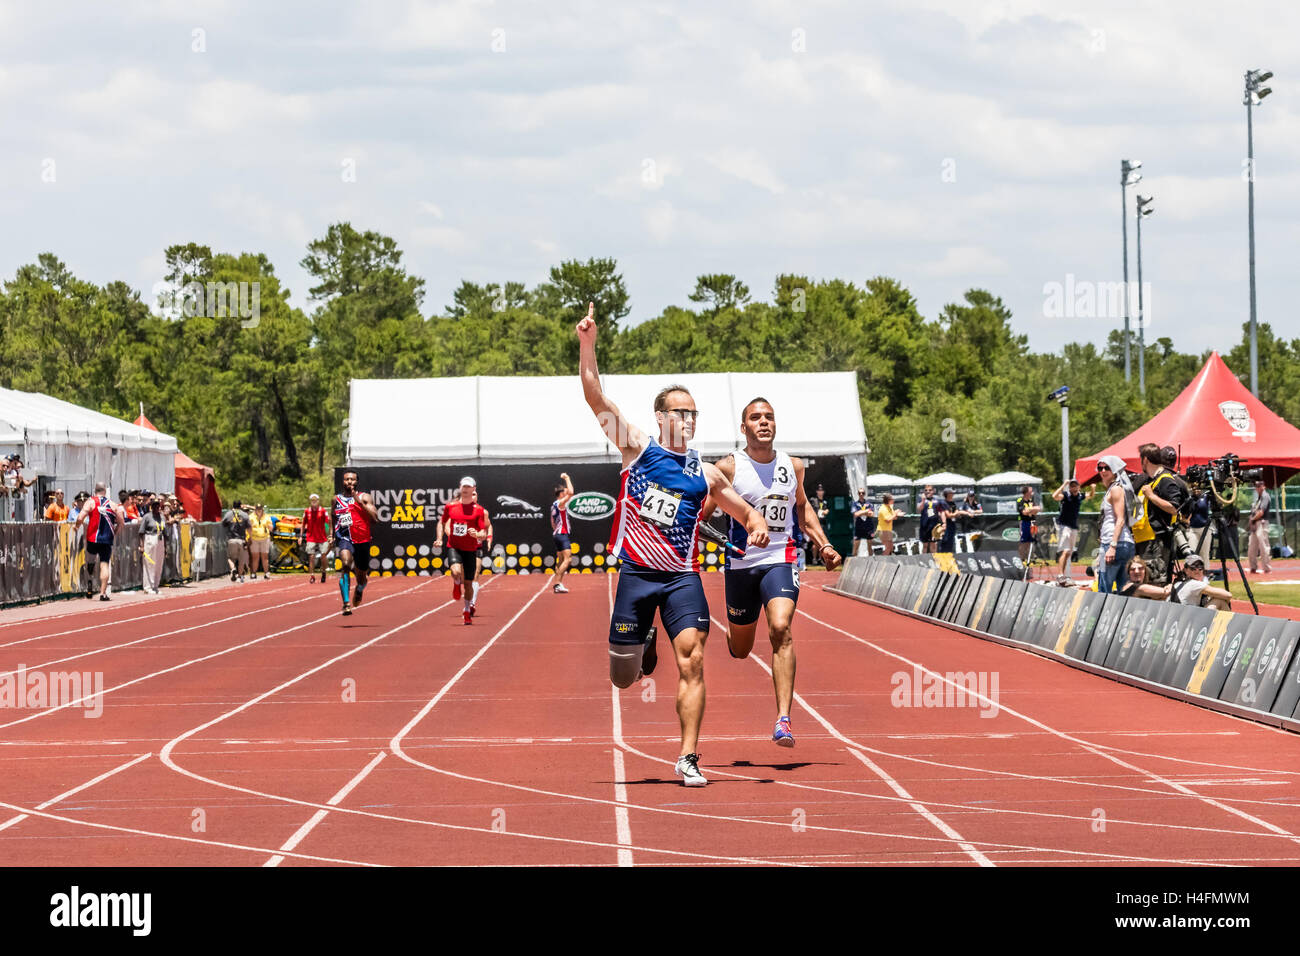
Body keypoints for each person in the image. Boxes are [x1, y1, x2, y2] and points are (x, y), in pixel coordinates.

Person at [577, 303, 768, 787]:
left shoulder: (705, 472)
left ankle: (688, 757)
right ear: (660, 418)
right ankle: (642, 640)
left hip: (682, 578)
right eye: (680, 412)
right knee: (623, 678)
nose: (688, 419)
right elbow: (595, 396)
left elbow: (743, 510)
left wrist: (757, 520)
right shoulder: (637, 449)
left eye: (693, 413)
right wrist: (588, 344)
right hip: (636, 575)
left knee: (694, 657)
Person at [700, 398, 840, 750]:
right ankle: (735, 637)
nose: (763, 422)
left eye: (769, 417)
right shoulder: (728, 468)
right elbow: (700, 517)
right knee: (742, 649)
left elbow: (802, 508)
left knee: (780, 627)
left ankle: (783, 719)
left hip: (781, 558)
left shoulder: (793, 467)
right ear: (743, 427)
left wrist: (823, 545)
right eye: (755, 418)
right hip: (741, 565)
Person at [435, 477, 492, 624]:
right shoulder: (450, 507)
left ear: (474, 489)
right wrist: (441, 537)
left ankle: (467, 610)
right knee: (456, 572)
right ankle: (455, 582)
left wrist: (477, 534)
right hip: (454, 546)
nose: (466, 489)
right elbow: (443, 522)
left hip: (470, 549)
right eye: (464, 486)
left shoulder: (479, 511)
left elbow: (483, 533)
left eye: (469, 487)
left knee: (468, 584)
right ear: (460, 488)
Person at [1134, 443, 1187, 585]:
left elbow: (1174, 508)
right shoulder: (1150, 479)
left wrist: (1152, 496)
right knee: (1144, 583)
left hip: (1157, 542)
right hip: (1144, 539)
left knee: (1156, 583)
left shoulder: (1165, 480)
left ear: (1145, 460)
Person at [333, 470, 378, 616]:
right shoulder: (336, 499)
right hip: (345, 537)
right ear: (343, 482)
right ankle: (346, 604)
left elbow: (375, 518)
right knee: (345, 564)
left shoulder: (365, 497)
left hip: (362, 539)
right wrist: (331, 534)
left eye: (352, 480)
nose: (349, 482)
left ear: (356, 482)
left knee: (361, 578)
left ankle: (359, 589)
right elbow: (332, 516)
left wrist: (359, 502)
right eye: (347, 479)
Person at [75, 482, 124, 601]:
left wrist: (76, 527)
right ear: (105, 491)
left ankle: (90, 582)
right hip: (106, 539)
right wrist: (115, 532)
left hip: (92, 538)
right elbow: (122, 522)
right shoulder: (112, 505)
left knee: (90, 561)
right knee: (104, 564)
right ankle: (103, 593)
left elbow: (80, 517)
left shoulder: (91, 502)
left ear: (95, 491)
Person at [1095, 456, 1134, 594]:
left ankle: (1102, 615)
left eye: (1107, 467)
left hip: (1115, 543)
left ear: (1115, 470)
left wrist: (1112, 546)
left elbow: (1120, 519)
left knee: (1104, 587)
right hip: (1119, 543)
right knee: (1123, 589)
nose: (1103, 471)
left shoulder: (1115, 490)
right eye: (1100, 468)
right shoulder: (1114, 488)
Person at [1051, 478, 1091, 583]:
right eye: (1071, 486)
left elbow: (1090, 495)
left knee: (1069, 552)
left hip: (1073, 526)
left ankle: (1063, 575)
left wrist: (1093, 488)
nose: (1073, 488)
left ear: (1078, 487)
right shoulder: (1065, 495)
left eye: (1075, 486)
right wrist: (1063, 484)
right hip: (1064, 525)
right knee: (1066, 550)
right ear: (1069, 488)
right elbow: (1054, 496)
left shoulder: (1079, 496)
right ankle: (1060, 575)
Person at [299, 493, 331, 584]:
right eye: (312, 500)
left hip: (322, 537)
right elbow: (303, 525)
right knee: (311, 556)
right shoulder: (307, 511)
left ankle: (324, 572)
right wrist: (300, 537)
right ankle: (312, 575)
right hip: (311, 537)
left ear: (318, 501)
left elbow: (329, 522)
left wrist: (331, 534)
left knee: (323, 555)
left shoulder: (323, 511)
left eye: (315, 500)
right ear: (310, 501)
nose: (314, 502)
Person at [551, 473, 575, 593]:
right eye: (564, 492)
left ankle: (558, 584)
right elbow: (571, 492)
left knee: (560, 560)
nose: (566, 493)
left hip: (557, 534)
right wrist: (567, 478)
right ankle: (557, 583)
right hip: (562, 534)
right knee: (568, 559)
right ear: (561, 494)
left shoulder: (553, 506)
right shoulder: (560, 503)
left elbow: (552, 523)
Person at [139, 498, 166, 594]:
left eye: (158, 505)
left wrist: (165, 547)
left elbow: (165, 532)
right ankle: (148, 586)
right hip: (150, 538)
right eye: (154, 505)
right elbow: (141, 532)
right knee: (149, 563)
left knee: (159, 564)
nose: (157, 507)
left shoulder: (162, 517)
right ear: (151, 506)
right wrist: (141, 546)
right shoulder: (147, 517)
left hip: (160, 539)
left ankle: (155, 586)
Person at [1247, 479, 1272, 574]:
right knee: (1252, 547)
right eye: (1256, 486)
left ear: (1263, 486)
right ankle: (1253, 567)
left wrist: (1253, 519)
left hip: (1261, 523)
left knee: (1263, 546)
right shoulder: (1259, 498)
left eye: (1259, 486)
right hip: (1255, 524)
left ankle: (1267, 568)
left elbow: (1261, 512)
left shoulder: (1265, 496)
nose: (1257, 488)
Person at [223, 500, 250, 582]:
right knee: (241, 559)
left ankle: (233, 568)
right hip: (241, 539)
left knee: (230, 558)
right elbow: (249, 526)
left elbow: (223, 523)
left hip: (231, 539)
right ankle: (240, 577)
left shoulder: (228, 513)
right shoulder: (245, 515)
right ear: (240, 506)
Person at [1015, 486, 1041, 562]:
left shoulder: (1031, 500)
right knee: (1024, 541)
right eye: (1031, 491)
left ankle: (1031, 558)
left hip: (1032, 522)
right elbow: (1024, 512)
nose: (1032, 493)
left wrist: (1030, 510)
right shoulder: (1020, 500)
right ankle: (1021, 559)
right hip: (1024, 523)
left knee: (1031, 540)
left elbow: (1038, 509)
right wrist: (1031, 510)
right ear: (1026, 493)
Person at [248, 504, 274, 580]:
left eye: (260, 509)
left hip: (265, 538)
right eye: (257, 509)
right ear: (255, 510)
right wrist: (249, 537)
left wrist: (270, 527)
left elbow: (271, 527)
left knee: (265, 557)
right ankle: (253, 573)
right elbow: (248, 528)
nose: (259, 511)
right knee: (255, 557)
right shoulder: (251, 517)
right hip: (254, 538)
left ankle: (266, 573)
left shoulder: (266, 517)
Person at [850, 488, 876, 557]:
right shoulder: (855, 504)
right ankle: (854, 561)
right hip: (859, 527)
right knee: (855, 547)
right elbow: (855, 514)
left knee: (870, 547)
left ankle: (871, 561)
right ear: (858, 494)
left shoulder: (869, 503)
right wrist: (866, 511)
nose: (861, 494)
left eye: (863, 493)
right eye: (859, 493)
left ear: (865, 494)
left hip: (868, 526)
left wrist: (860, 512)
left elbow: (871, 514)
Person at [918, 485, 943, 554]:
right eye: (926, 490)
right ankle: (924, 560)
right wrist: (923, 500)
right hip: (924, 525)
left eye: (929, 490)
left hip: (934, 526)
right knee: (925, 545)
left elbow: (941, 512)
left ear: (933, 491)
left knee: (934, 544)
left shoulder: (937, 500)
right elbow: (919, 509)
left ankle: (935, 560)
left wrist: (944, 523)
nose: (928, 491)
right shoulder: (921, 499)